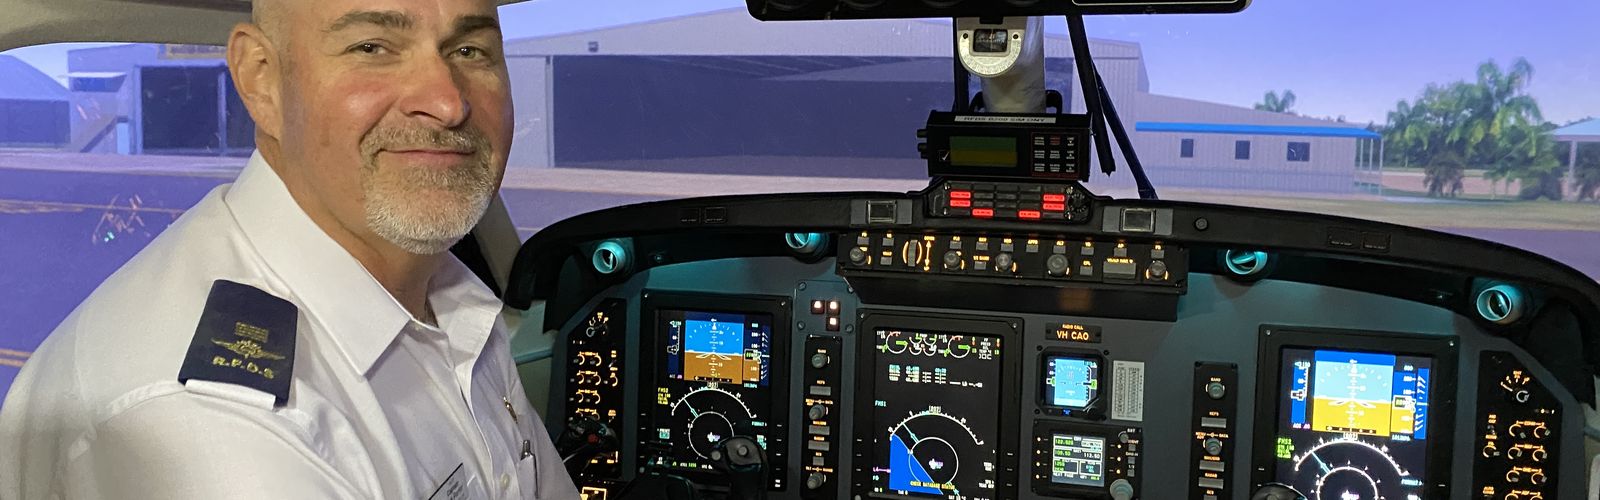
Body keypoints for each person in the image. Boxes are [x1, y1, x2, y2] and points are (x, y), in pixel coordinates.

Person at [0, 0, 579, 497]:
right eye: (373, 47)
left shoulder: (444, 293)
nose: (447, 103)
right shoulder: (208, 427)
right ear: (262, 79)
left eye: (471, 51)